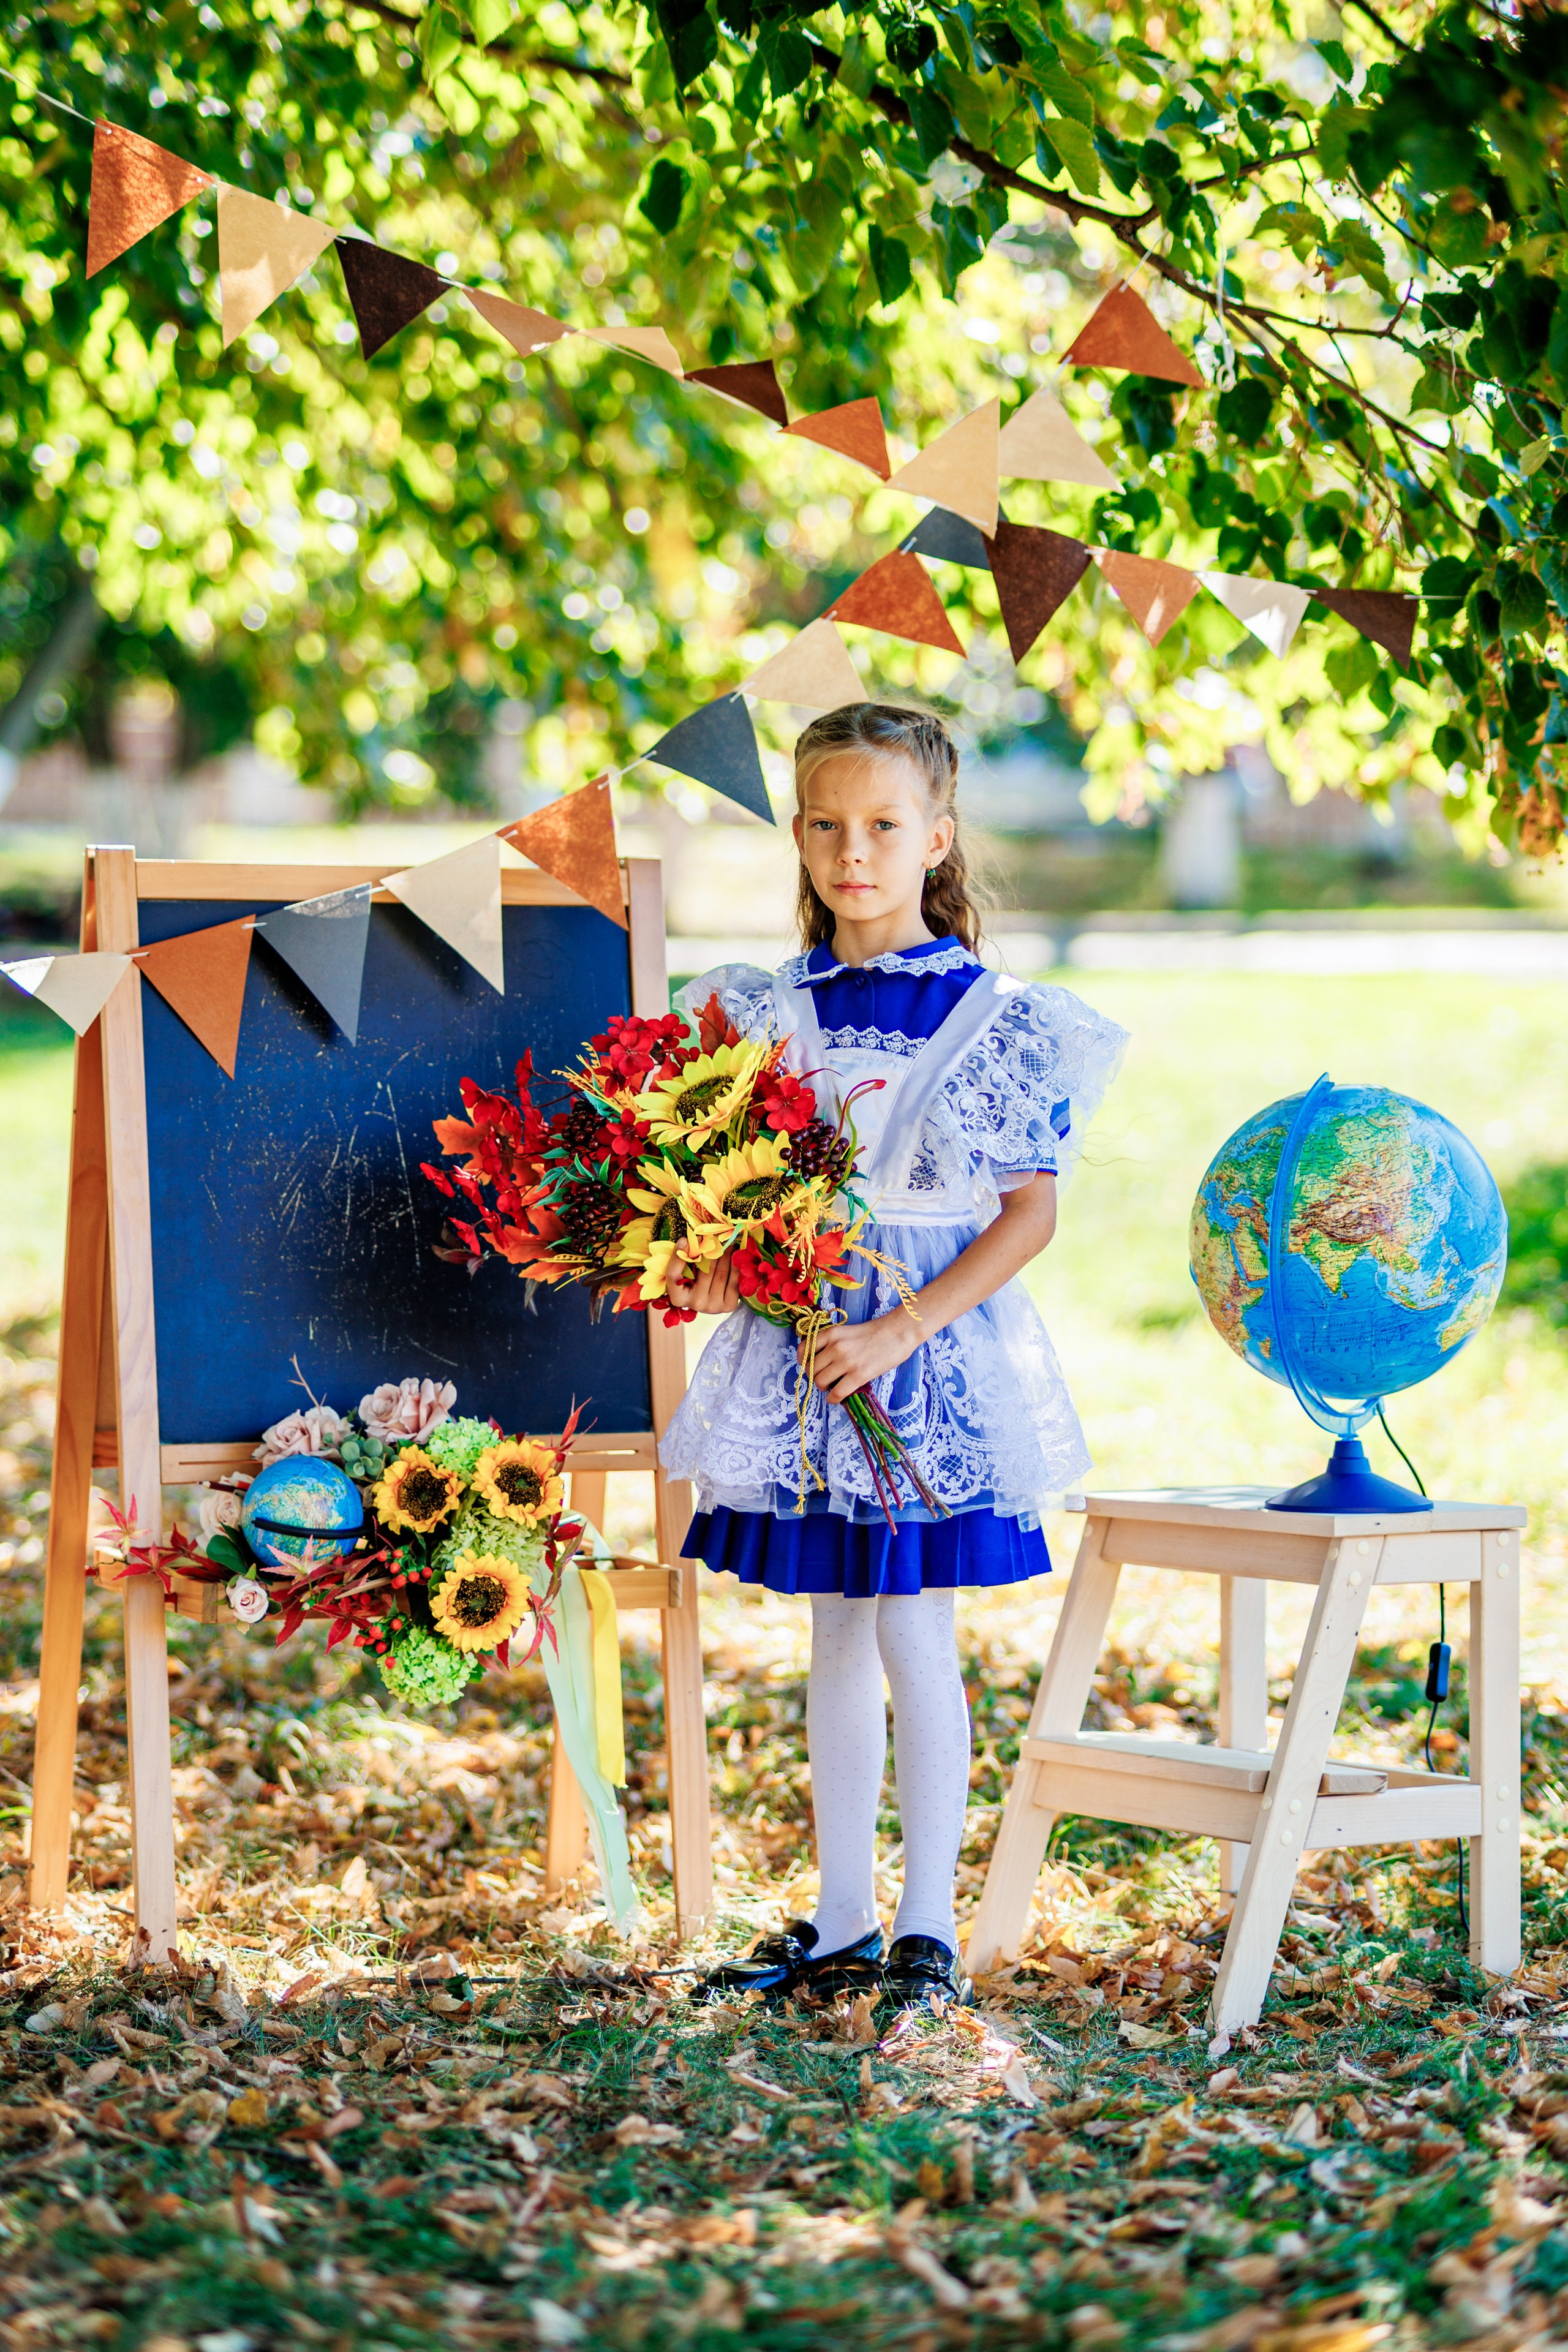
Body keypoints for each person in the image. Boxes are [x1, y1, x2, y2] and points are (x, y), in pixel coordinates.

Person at [658, 703, 1126, 2014]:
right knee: (835, 1629)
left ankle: (928, 1927)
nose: (850, 852)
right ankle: (842, 1919)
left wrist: (900, 1329)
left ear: (937, 837)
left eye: (880, 825)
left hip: (922, 1357)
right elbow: (738, 1203)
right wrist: (713, 1268)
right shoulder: (761, 1013)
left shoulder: (996, 1016)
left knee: (915, 1625)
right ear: (799, 836)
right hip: (807, 1357)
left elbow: (1027, 1213)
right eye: (824, 825)